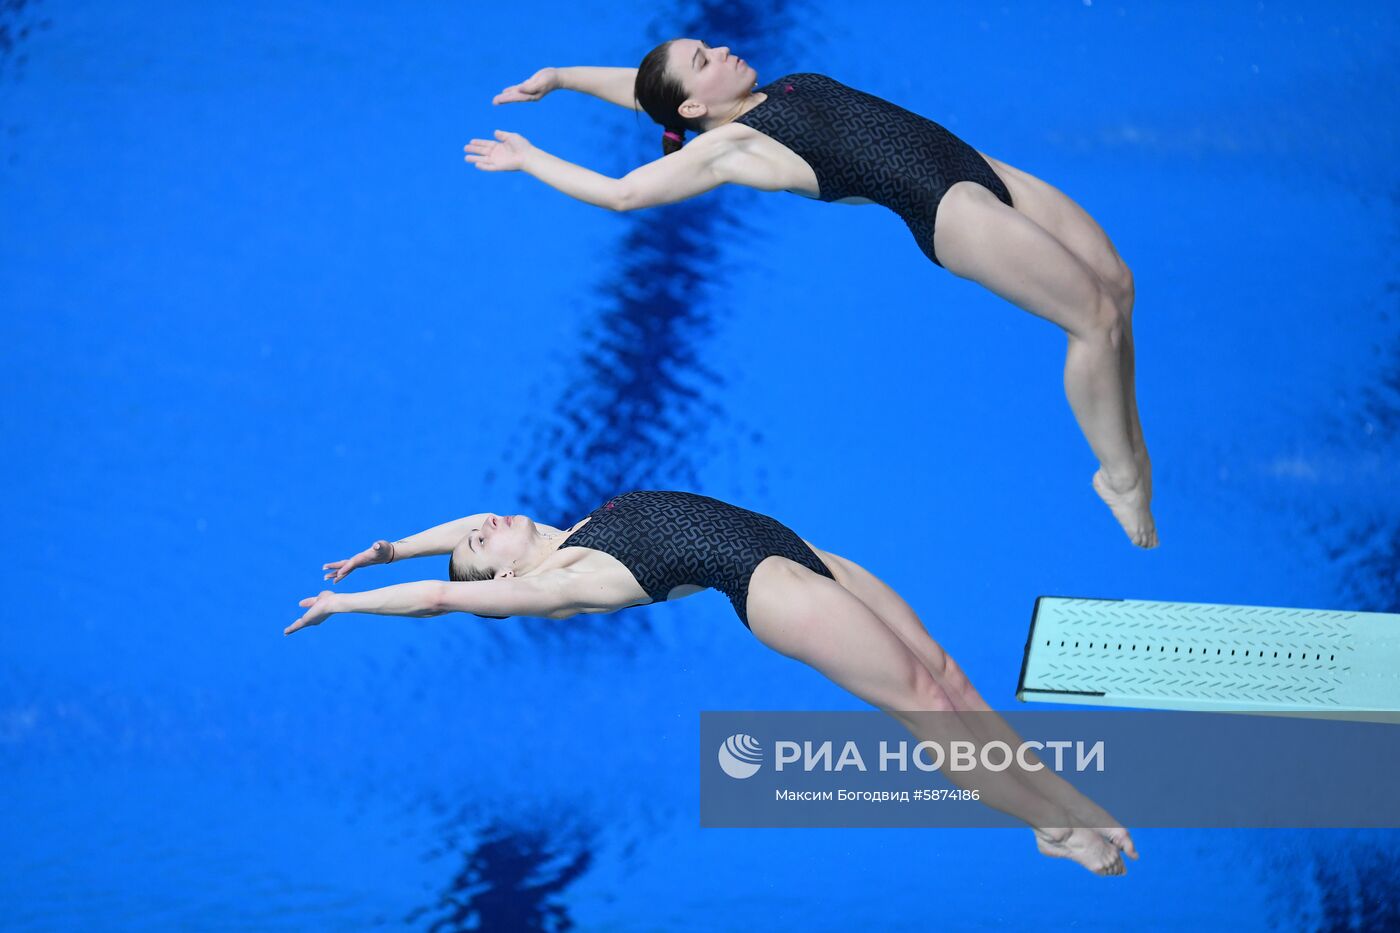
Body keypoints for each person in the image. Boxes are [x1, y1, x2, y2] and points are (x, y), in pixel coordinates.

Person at [465, 45, 1157, 549]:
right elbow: (623, 194)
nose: (721, 50)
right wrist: (530, 159)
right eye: (705, 60)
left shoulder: (774, 90)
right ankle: (1119, 474)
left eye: (705, 47)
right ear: (699, 106)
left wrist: (561, 77)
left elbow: (650, 92)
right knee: (1092, 320)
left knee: (1116, 287)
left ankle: (1124, 443)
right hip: (950, 209)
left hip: (974, 166)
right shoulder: (733, 145)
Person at [287, 489, 1139, 875]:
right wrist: (347, 601)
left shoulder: (571, 527)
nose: (484, 527)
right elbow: (442, 596)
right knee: (925, 703)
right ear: (502, 587)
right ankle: (1059, 823)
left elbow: (455, 545)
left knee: (950, 675)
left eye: (477, 530)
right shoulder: (559, 580)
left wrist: (391, 543)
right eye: (483, 546)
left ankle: (1057, 808)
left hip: (791, 544)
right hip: (771, 589)